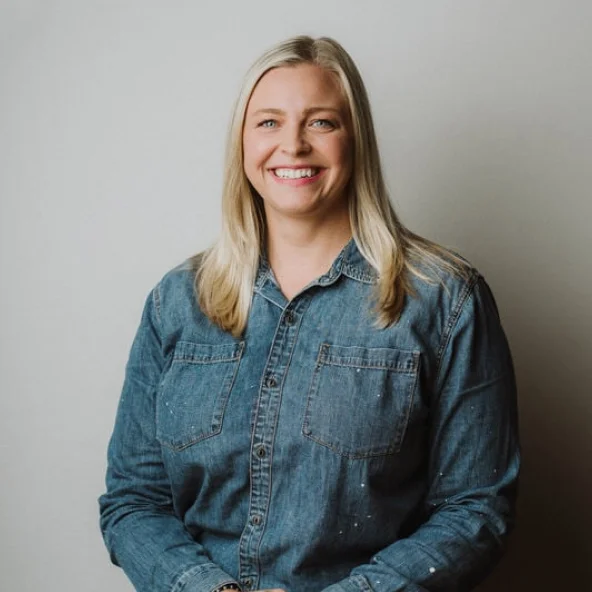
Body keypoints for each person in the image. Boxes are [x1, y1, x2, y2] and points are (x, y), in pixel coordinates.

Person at [99, 35, 520, 592]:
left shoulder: (446, 299)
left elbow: (475, 511)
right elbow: (134, 501)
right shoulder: (176, 302)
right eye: (268, 122)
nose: (292, 145)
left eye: (321, 122)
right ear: (242, 143)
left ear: (356, 139)